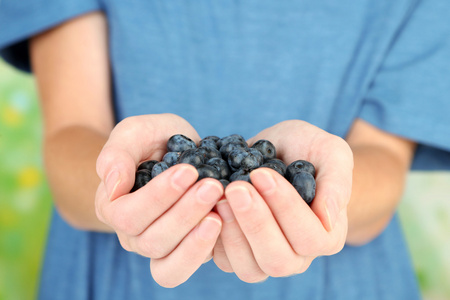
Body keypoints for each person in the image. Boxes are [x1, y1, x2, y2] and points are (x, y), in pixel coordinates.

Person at [1, 1, 449, 299]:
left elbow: (383, 159)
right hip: (115, 279)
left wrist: (329, 199)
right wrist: (116, 184)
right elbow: (71, 133)